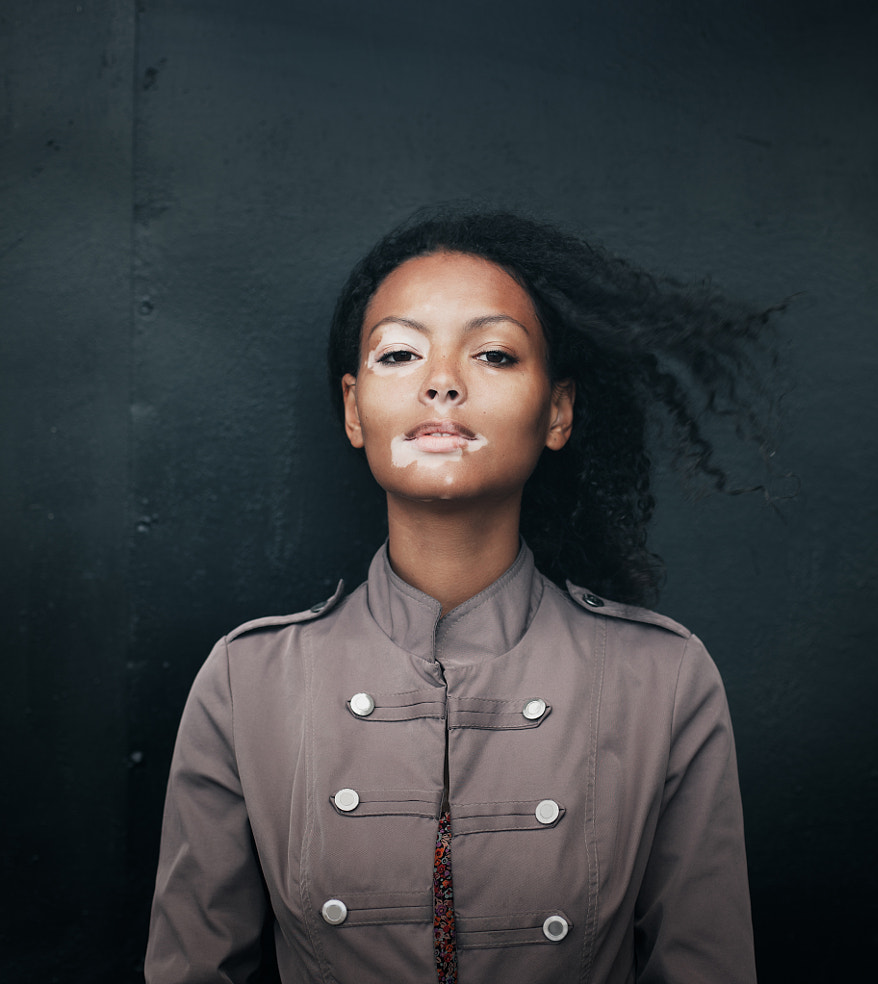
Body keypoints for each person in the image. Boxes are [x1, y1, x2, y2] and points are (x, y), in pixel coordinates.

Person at [146, 207, 777, 983]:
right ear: (353, 409)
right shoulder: (247, 682)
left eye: (494, 354)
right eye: (402, 353)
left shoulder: (665, 680)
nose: (442, 382)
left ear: (558, 410)